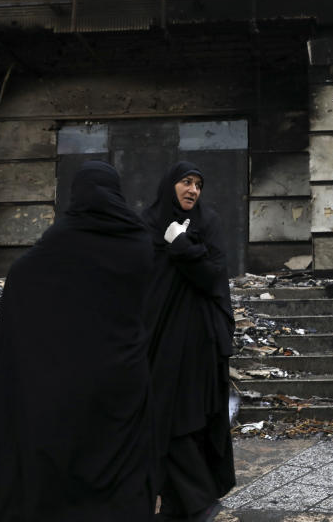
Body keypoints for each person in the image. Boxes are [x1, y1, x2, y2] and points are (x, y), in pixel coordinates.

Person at [0, 161, 155, 522]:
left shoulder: (63, 238)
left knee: (66, 455)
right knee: (121, 459)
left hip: (66, 379)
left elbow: (22, 275)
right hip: (123, 374)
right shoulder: (139, 239)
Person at [142, 161, 235, 521]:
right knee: (166, 419)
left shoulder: (207, 223)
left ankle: (192, 502)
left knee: (187, 419)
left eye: (198, 183)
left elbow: (214, 276)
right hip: (159, 339)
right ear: (170, 185)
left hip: (198, 340)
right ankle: (183, 504)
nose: (193, 190)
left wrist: (181, 246)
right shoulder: (149, 224)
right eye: (186, 181)